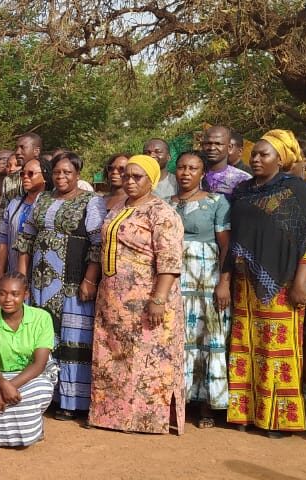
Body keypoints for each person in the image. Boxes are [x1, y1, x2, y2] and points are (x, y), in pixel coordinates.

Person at [225, 129, 306, 437]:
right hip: (245, 285)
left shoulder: (295, 191)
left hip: (281, 284)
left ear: (280, 159)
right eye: (254, 154)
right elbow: (235, 236)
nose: (256, 159)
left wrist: (300, 283)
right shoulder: (242, 190)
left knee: (276, 351)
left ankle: (278, 419)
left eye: (263, 154)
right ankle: (246, 413)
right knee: (245, 348)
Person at [91, 154, 186, 435]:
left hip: (147, 298)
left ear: (151, 180)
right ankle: (112, 417)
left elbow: (169, 260)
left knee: (146, 357)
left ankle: (146, 420)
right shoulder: (118, 207)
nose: (129, 181)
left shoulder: (162, 213)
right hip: (113, 300)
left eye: (137, 177)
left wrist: (158, 299)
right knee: (113, 356)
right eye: (127, 176)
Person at [14, 151, 103, 420]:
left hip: (71, 283)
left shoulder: (91, 202)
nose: (61, 177)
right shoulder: (43, 198)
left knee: (70, 338)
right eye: (56, 172)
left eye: (67, 172)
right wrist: (22, 280)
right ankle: (47, 395)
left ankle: (70, 400)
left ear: (78, 175)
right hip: (40, 284)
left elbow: (97, 245)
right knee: (43, 337)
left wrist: (89, 280)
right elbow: (25, 240)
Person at [167, 150, 232, 428]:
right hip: (174, 283)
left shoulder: (217, 202)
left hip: (206, 283)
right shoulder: (165, 203)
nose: (186, 173)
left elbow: (226, 246)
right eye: (182, 167)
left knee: (208, 339)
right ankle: (177, 401)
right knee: (177, 340)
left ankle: (207, 405)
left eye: (192, 168)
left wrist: (224, 283)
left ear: (202, 173)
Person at [0, 273, 55, 455]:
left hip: (34, 374)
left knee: (36, 392)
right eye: (2, 293)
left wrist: (9, 387)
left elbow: (39, 364)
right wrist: (3, 385)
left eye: (14, 294)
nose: (7, 299)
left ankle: (32, 433)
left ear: (25, 294)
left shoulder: (42, 318)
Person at [0, 158, 44, 279]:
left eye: (31, 173)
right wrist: (0, 271)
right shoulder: (14, 204)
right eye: (22, 174)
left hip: (40, 276)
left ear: (45, 176)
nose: (25, 177)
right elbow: (3, 240)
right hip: (13, 274)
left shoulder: (50, 205)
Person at [201, 125, 253, 196]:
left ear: (229, 147)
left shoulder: (242, 179)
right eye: (208, 143)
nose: (212, 148)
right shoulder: (192, 174)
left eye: (218, 144)